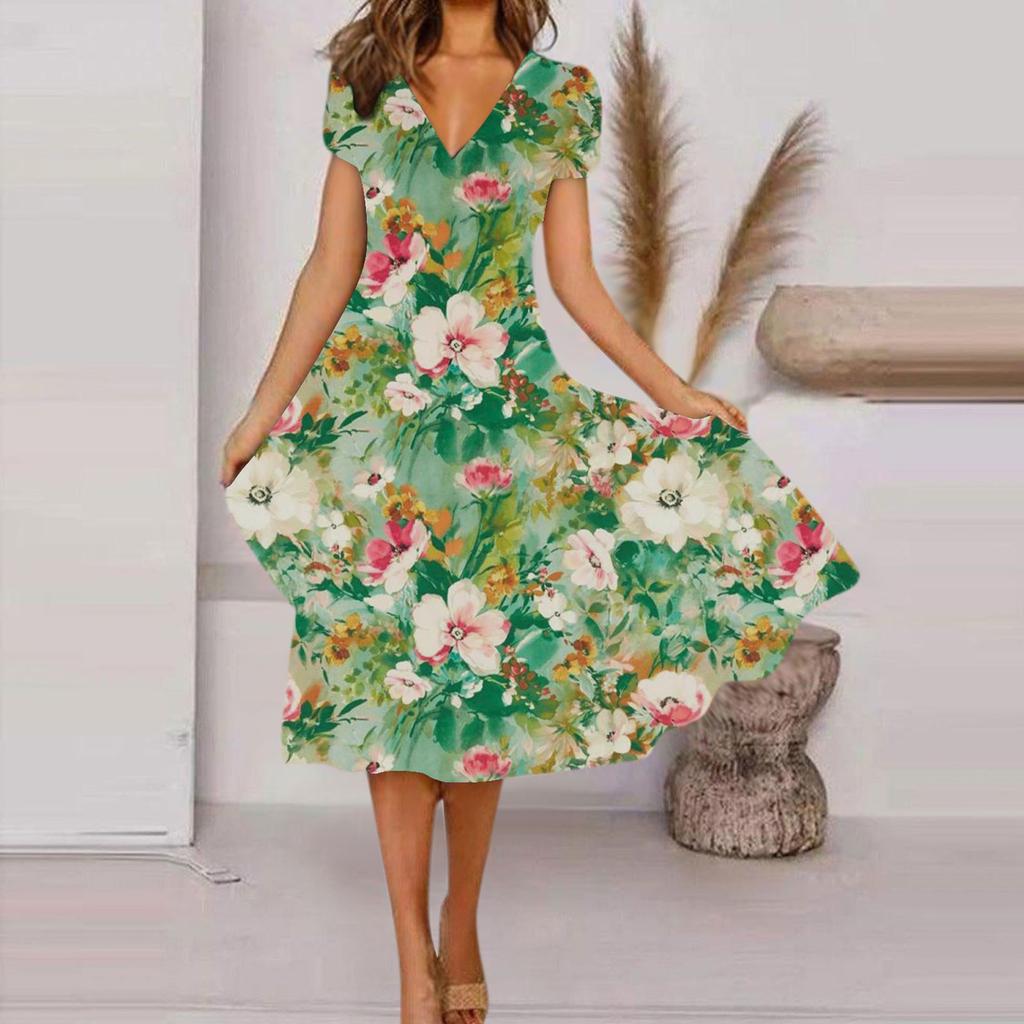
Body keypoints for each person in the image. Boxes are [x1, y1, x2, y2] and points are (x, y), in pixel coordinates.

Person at [221, 2, 860, 1021]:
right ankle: (412, 961)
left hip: (503, 433)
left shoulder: (558, 97)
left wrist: (672, 393)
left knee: (478, 695)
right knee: (393, 693)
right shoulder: (367, 81)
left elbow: (574, 281)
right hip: (373, 426)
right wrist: (263, 410)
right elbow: (331, 265)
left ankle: (462, 920)